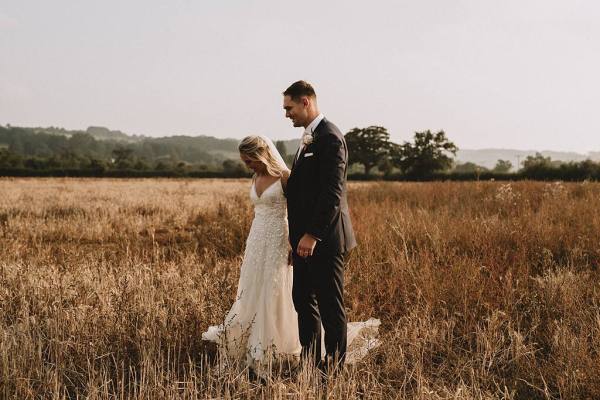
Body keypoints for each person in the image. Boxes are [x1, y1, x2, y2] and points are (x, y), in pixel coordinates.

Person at [283, 80, 360, 371]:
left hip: (325, 239)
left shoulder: (329, 137)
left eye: (289, 108)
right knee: (302, 298)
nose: (286, 114)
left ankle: (336, 364)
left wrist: (312, 235)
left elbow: (332, 193)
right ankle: (310, 357)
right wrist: (296, 240)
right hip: (302, 241)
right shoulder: (308, 138)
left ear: (306, 102)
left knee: (330, 304)